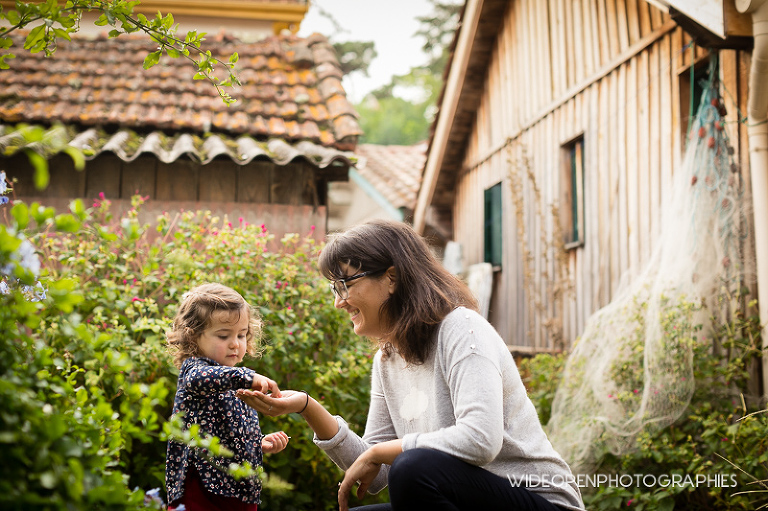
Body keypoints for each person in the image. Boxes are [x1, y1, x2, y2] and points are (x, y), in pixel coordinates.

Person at [237, 219, 585, 511]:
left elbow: (481, 439)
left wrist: (384, 452)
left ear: (392, 277)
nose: (338, 302)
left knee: (414, 467)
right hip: (469, 501)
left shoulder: (462, 328)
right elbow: (378, 475)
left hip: (539, 500)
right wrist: (306, 406)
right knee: (404, 469)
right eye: (334, 288)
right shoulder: (388, 359)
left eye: (344, 284)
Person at [165, 283, 290, 511]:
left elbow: (229, 431)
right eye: (223, 336)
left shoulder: (233, 379)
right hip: (202, 486)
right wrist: (246, 375)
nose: (235, 343)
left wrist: (256, 443)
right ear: (194, 337)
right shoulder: (196, 370)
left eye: (242, 335)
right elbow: (203, 379)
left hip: (238, 490)